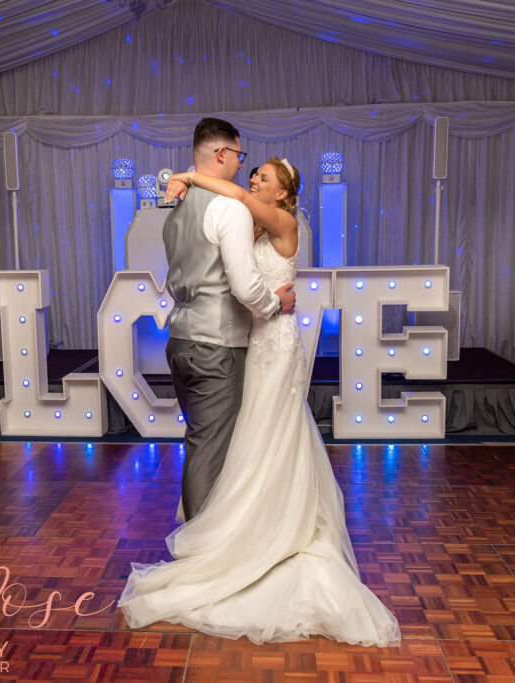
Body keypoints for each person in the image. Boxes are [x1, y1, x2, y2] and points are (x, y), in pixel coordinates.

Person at [119, 150, 400, 644]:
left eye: (263, 177)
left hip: (276, 340)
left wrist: (188, 176)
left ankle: (272, 528)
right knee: (253, 432)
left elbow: (239, 198)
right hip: (251, 339)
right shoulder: (250, 224)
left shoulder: (284, 220)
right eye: (253, 173)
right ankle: (248, 519)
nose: (254, 180)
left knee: (272, 428)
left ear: (283, 192)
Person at [156, 117, 295, 522]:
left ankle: (211, 536)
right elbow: (246, 287)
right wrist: (274, 305)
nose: (241, 166)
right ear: (222, 153)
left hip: (180, 341)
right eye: (239, 156)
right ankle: (200, 551)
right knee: (208, 448)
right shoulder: (229, 209)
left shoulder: (175, 213)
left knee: (200, 442)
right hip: (217, 346)